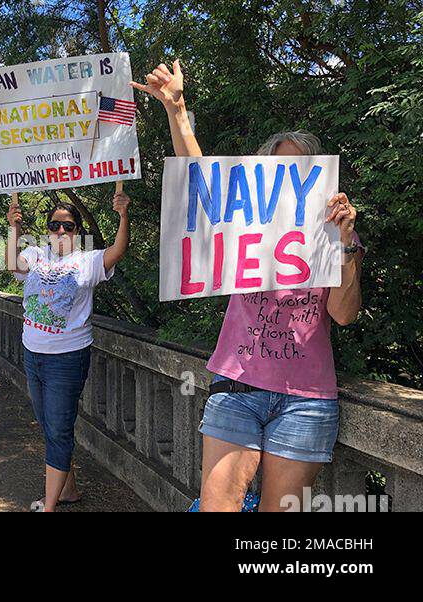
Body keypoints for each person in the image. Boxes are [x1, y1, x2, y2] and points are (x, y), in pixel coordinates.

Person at [132, 60, 364, 512]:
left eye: (300, 169)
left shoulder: (338, 233)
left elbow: (343, 313)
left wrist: (347, 244)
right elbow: (202, 181)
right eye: (278, 168)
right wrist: (177, 110)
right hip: (237, 390)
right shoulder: (244, 222)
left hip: (306, 402)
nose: (289, 177)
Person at [7, 193, 131, 512]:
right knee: (48, 425)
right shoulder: (35, 253)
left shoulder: (87, 261)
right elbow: (10, 265)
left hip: (68, 357)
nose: (61, 231)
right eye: (54, 225)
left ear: (77, 230)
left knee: (59, 429)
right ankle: (68, 490)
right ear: (48, 230)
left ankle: (49, 506)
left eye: (68, 226)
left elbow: (117, 252)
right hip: (32, 352)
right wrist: (14, 229)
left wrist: (122, 216)